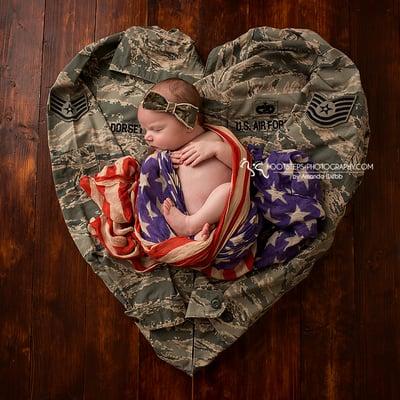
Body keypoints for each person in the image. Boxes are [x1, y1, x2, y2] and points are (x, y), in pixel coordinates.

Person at [137, 78, 233, 241]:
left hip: (220, 215)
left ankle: (193, 224)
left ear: (188, 123)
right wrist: (163, 161)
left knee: (228, 190)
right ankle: (195, 236)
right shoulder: (164, 155)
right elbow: (153, 179)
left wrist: (217, 149)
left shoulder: (214, 138)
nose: (147, 137)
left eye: (156, 129)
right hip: (180, 211)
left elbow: (244, 166)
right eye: (144, 130)